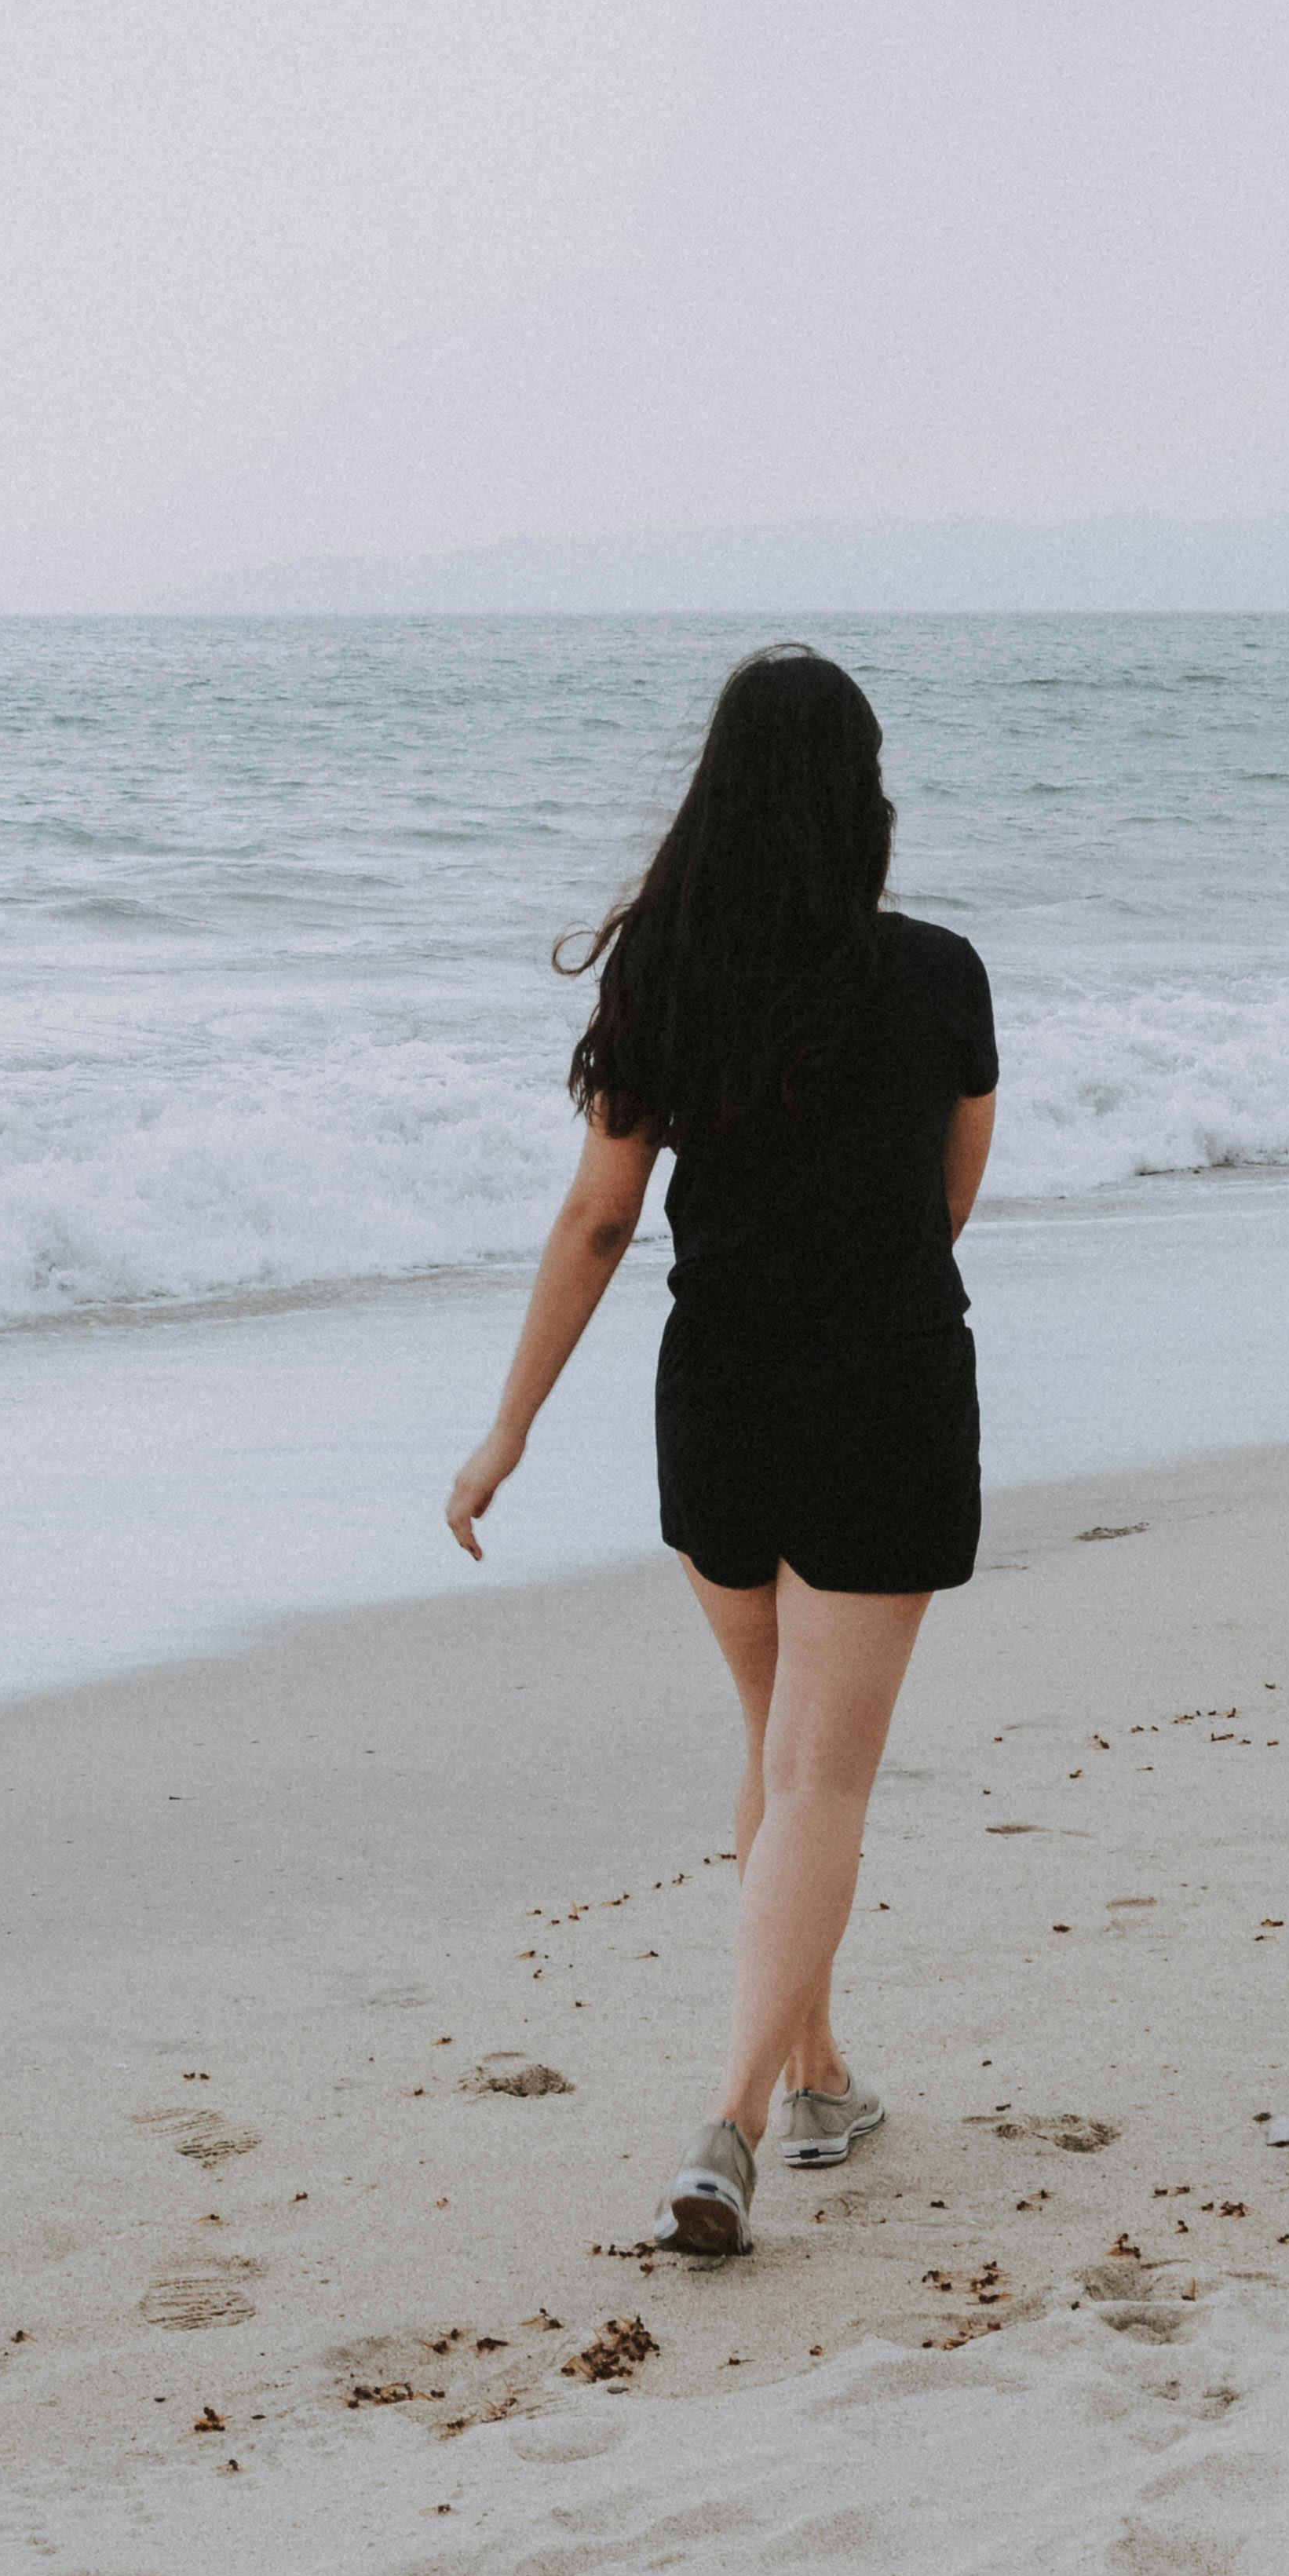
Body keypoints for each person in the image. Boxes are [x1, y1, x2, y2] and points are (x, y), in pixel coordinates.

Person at [444, 645, 996, 2258]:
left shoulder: (663, 977)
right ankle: (732, 2119)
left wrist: (507, 1429)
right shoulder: (941, 974)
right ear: (863, 797)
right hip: (884, 1387)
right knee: (823, 1772)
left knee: (774, 1749)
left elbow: (602, 1215)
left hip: (722, 1394)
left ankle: (818, 2072)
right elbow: (948, 1193)